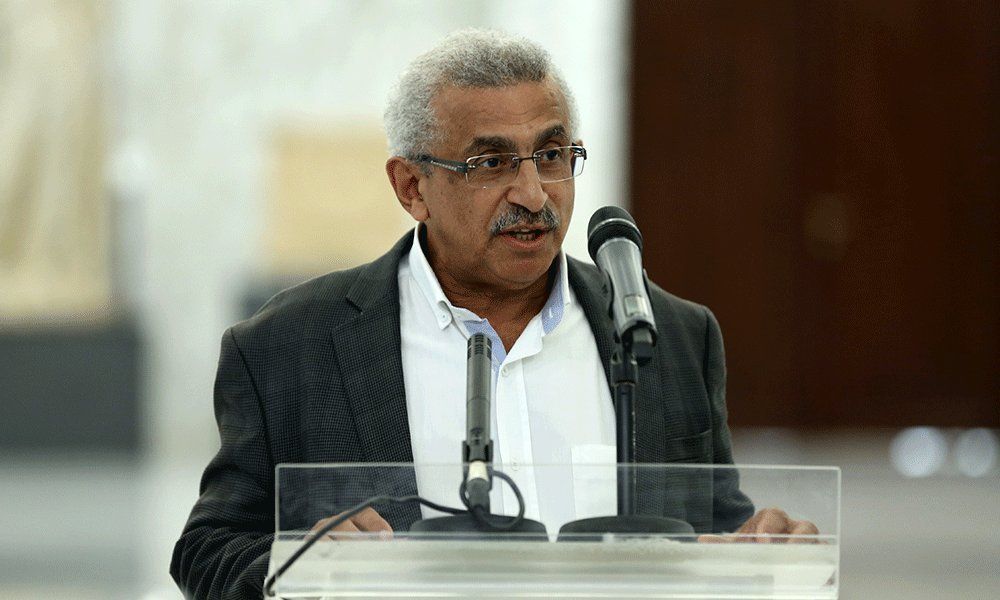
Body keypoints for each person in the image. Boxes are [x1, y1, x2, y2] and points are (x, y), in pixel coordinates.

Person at [170, 29, 816, 600]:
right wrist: (306, 564)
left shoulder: (670, 336)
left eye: (552, 155)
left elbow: (714, 526)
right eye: (491, 163)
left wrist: (760, 544)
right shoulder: (291, 347)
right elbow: (208, 550)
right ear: (411, 187)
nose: (533, 194)